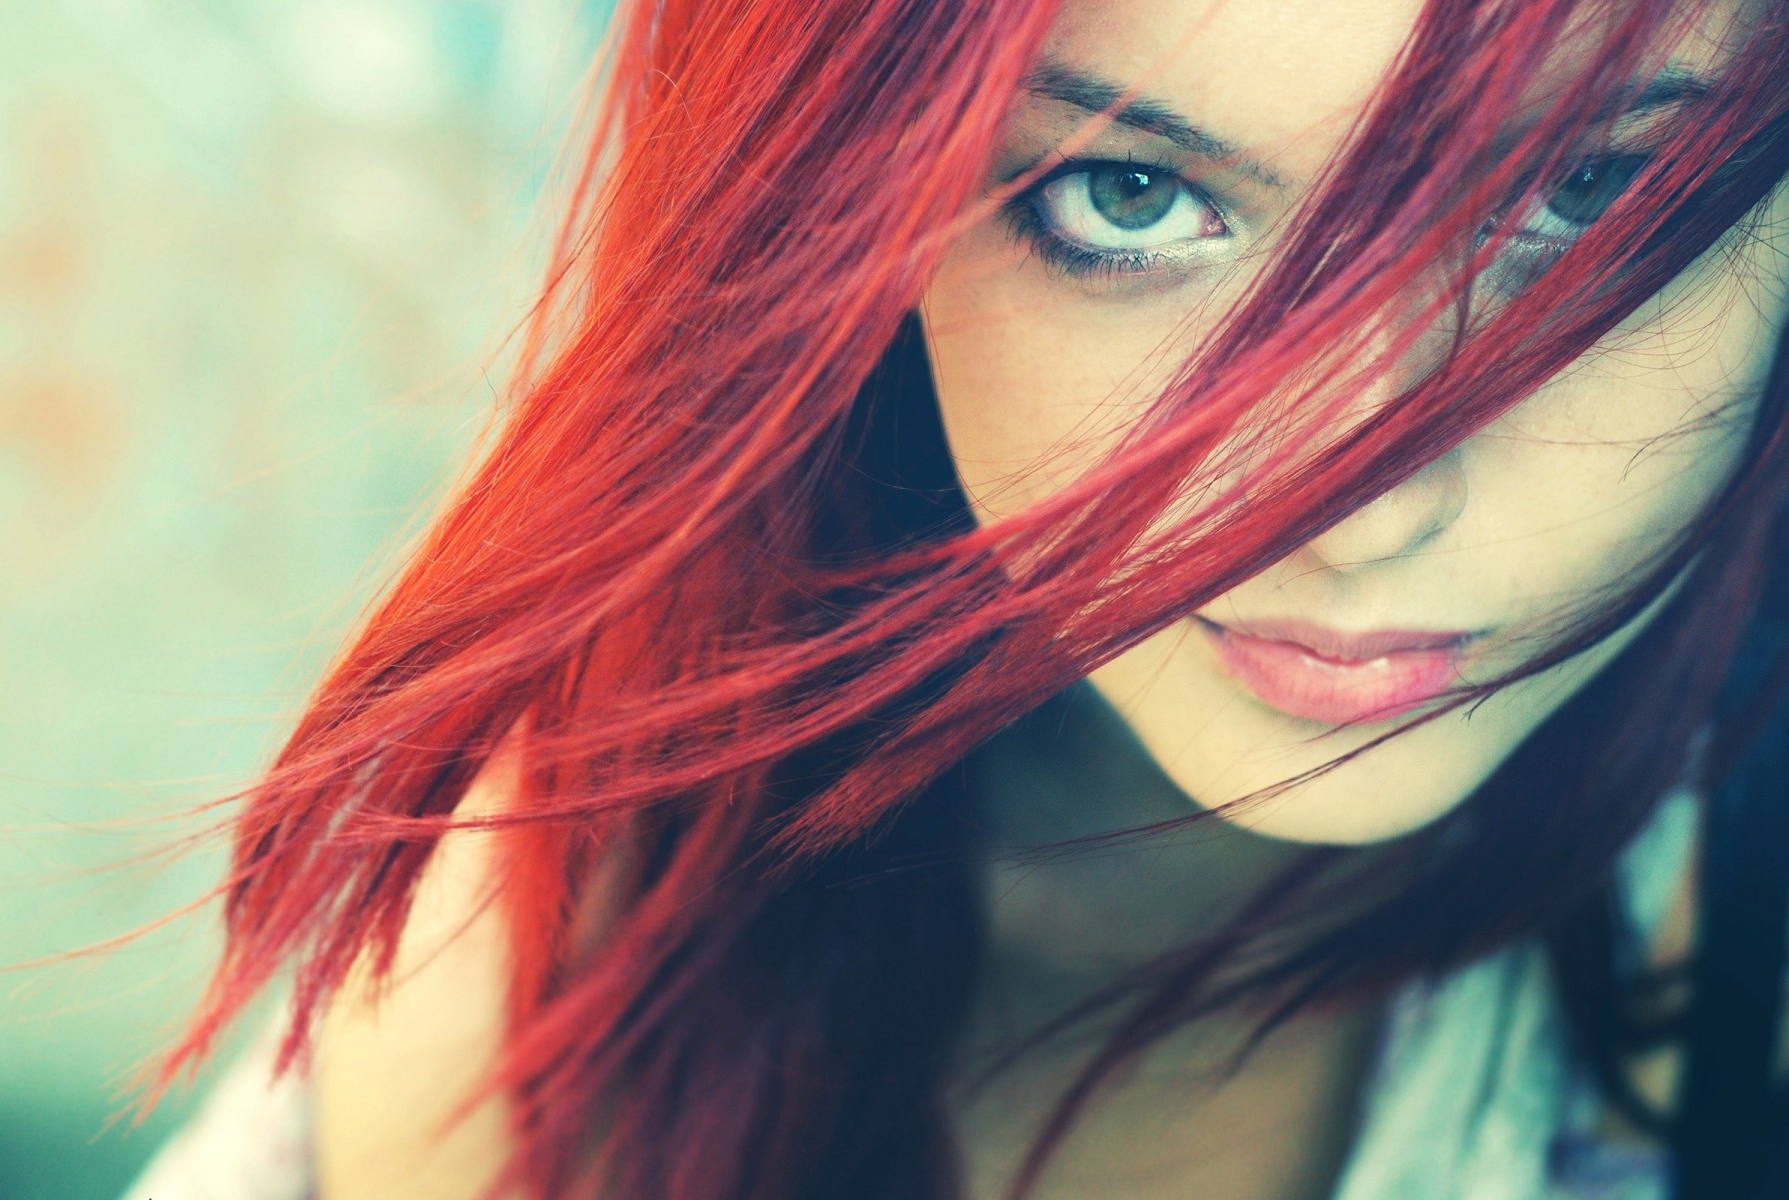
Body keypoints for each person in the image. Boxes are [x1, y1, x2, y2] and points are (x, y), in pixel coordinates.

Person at [120, 0, 1789, 1196]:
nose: (1363, 500)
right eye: (1131, 199)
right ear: (853, 229)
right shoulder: (575, 929)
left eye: (1593, 198)